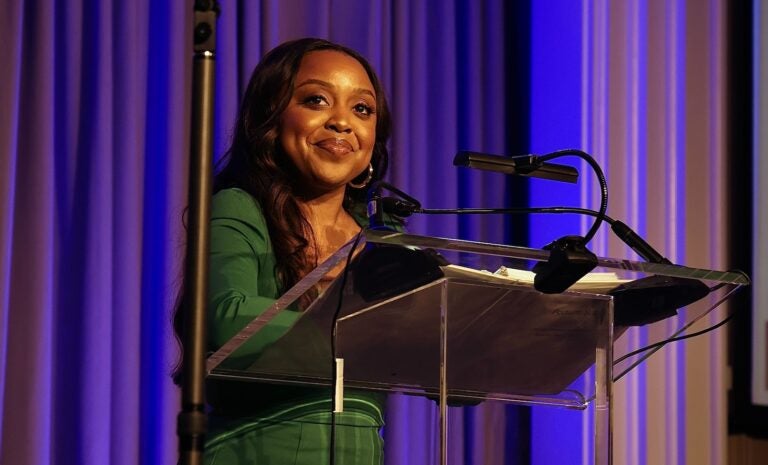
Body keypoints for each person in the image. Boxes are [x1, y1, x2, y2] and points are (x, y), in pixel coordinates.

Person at [186, 38, 393, 464]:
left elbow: (451, 367)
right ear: (271, 118)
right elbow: (225, 316)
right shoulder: (240, 207)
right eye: (316, 100)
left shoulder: (384, 239)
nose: (342, 123)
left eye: (362, 109)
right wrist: (368, 334)